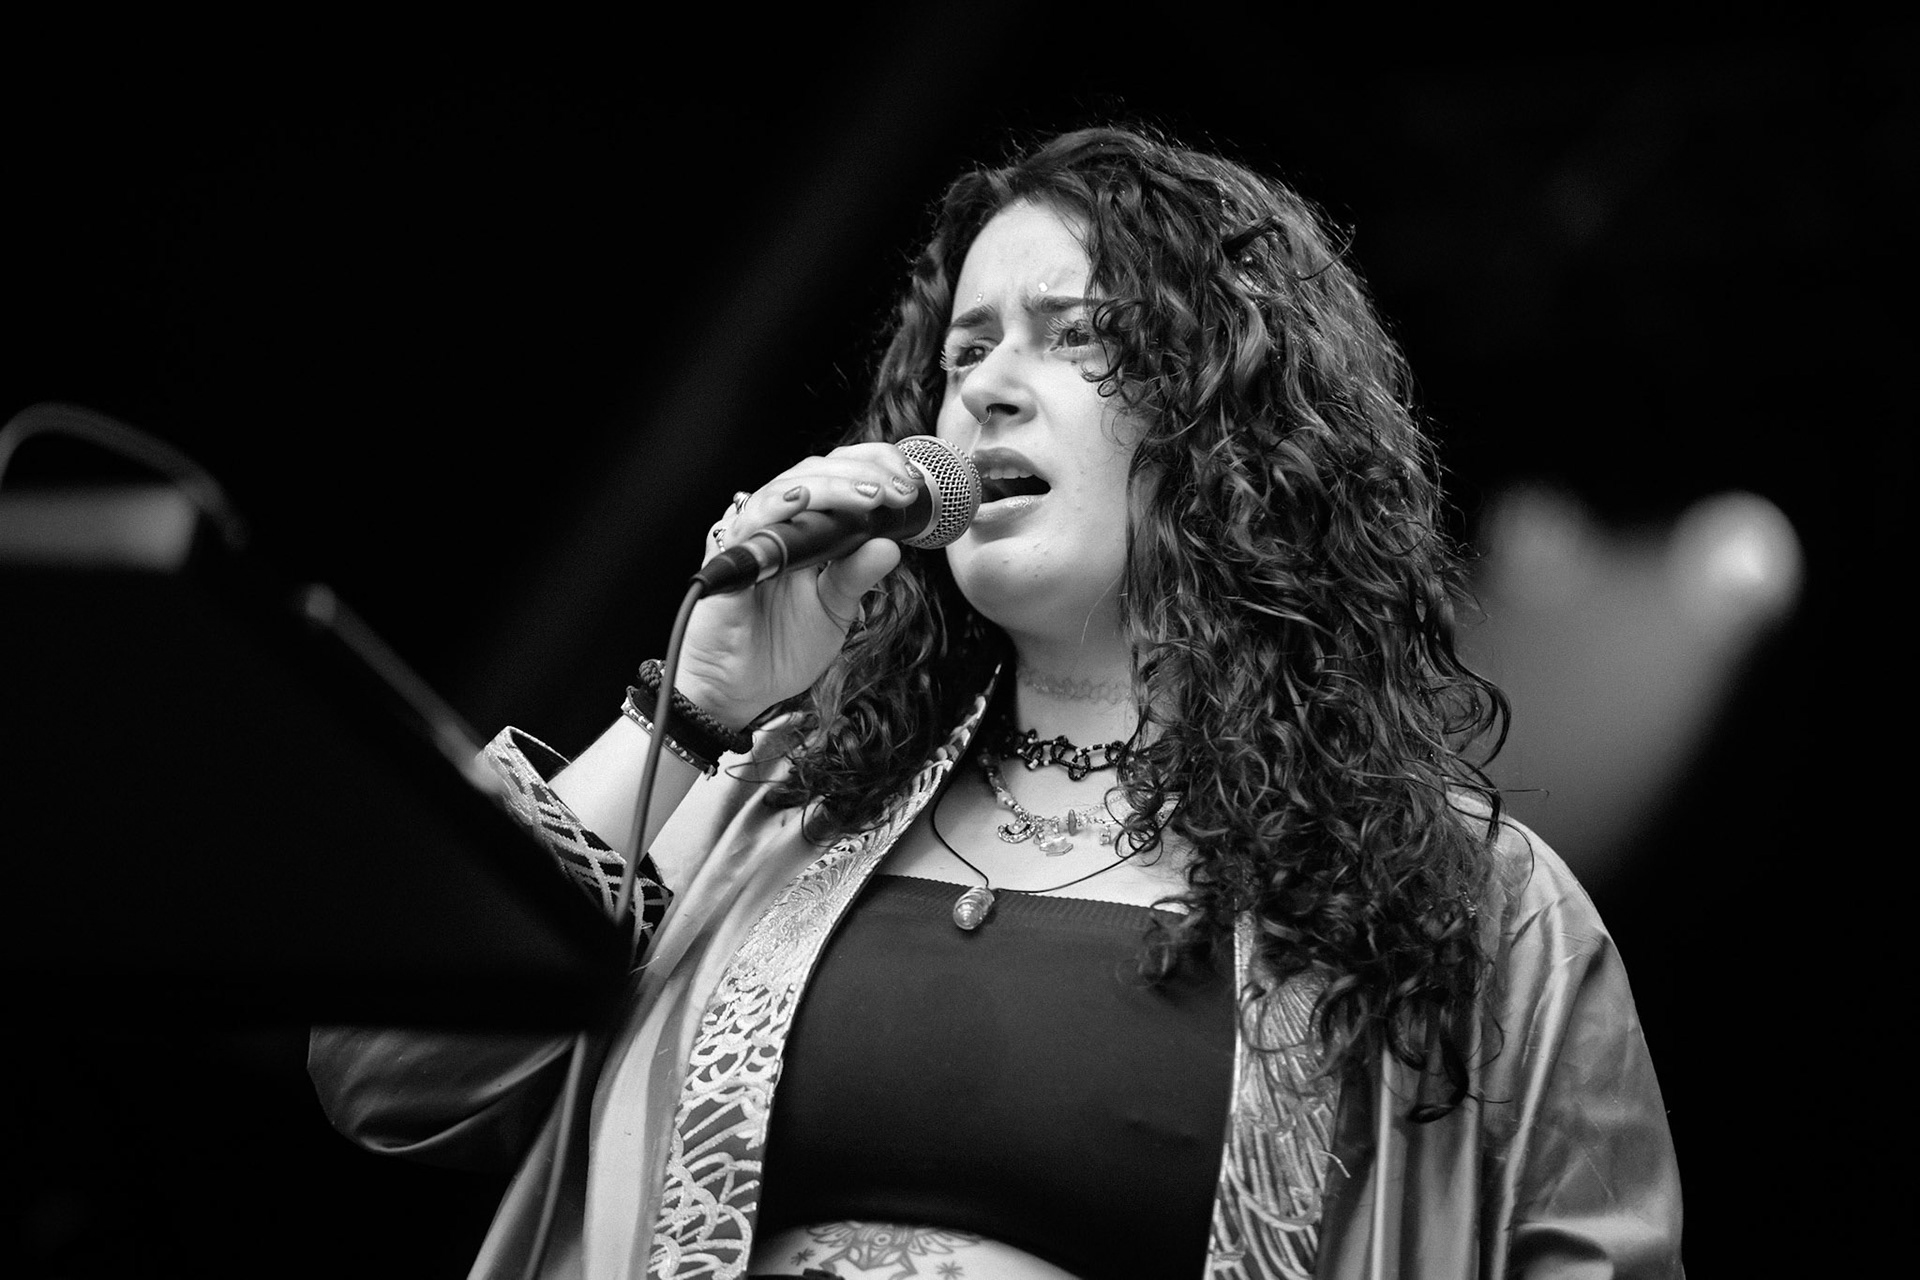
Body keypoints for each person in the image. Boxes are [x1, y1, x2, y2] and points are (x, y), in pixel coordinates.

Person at [310, 126, 1683, 1279]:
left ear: (1233, 420)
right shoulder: (768, 815)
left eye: (1074, 337)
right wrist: (694, 715)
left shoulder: (1460, 904)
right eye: (964, 352)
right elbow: (386, 1067)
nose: (988, 392)